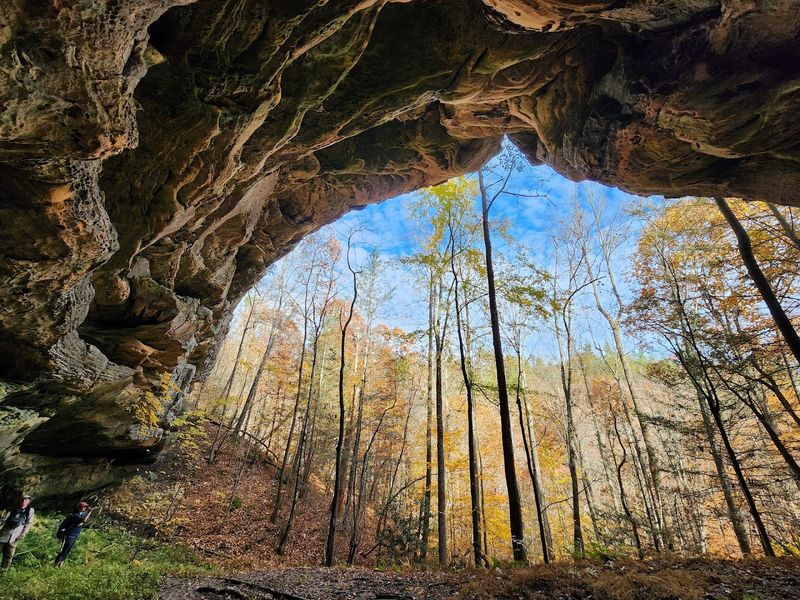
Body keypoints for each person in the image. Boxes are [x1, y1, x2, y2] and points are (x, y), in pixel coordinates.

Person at [0, 494, 35, 570]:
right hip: (3, 535)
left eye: (26, 500)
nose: (24, 501)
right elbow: (3, 520)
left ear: (29, 501)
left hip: (15, 537)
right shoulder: (12, 508)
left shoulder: (30, 510)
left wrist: (23, 534)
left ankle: (3, 570)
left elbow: (28, 523)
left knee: (9, 556)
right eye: (22, 499)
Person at [54, 501, 92, 567]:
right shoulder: (76, 516)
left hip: (74, 536)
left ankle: (61, 564)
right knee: (64, 550)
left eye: (86, 507)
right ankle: (56, 564)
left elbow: (84, 522)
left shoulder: (80, 515)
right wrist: (89, 512)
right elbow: (84, 520)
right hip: (69, 535)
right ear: (80, 508)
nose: (85, 508)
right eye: (84, 507)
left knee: (67, 551)